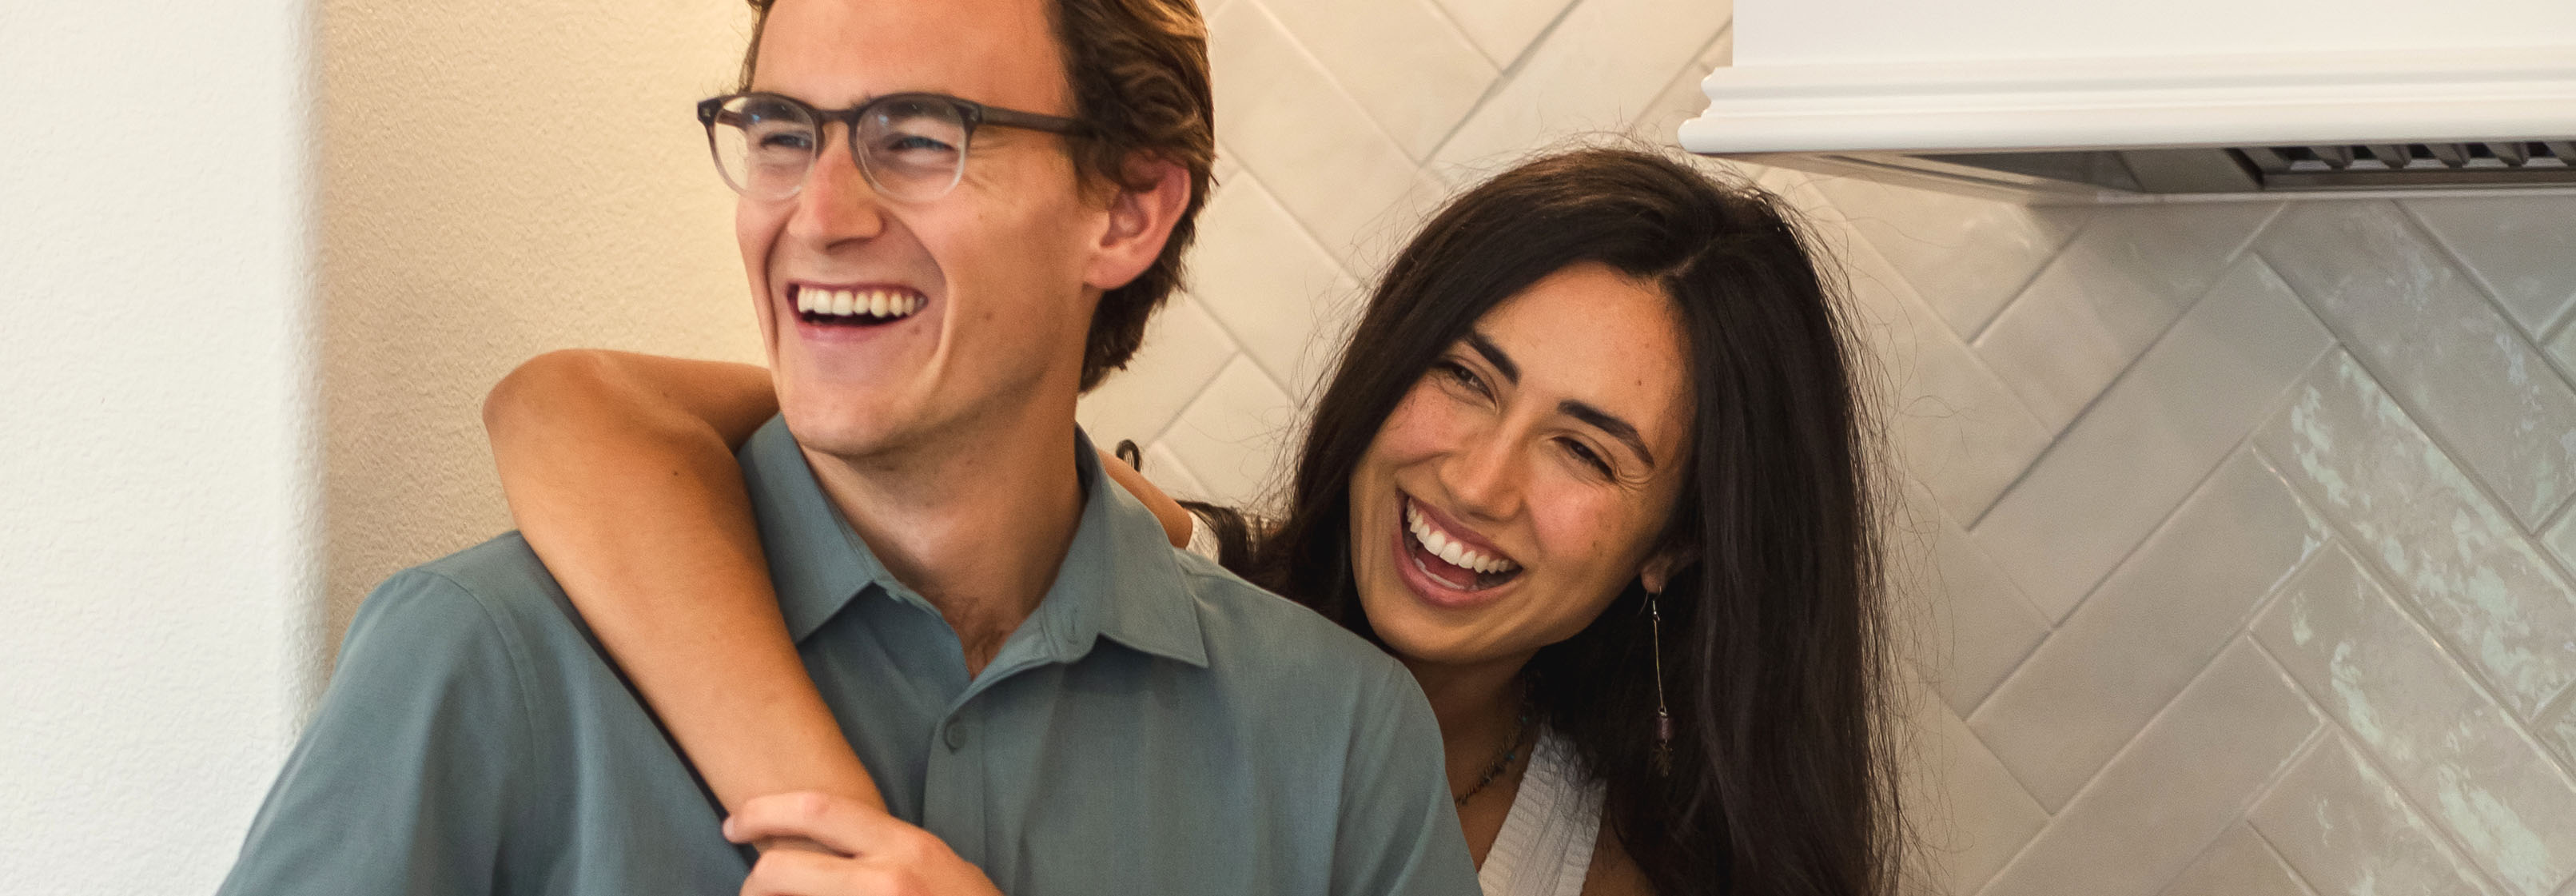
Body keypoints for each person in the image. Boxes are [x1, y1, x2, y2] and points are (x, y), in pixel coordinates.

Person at [214, 0, 1483, 893]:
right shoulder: (482, 658)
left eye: (919, 136)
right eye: (780, 131)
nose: (819, 214)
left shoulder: (1336, 741)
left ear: (1128, 207)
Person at [487, 147, 1905, 895]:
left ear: (1679, 540)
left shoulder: (1610, 869)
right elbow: (570, 416)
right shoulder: (1163, 562)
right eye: (1464, 377)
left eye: (1584, 450)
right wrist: (840, 830)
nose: (1477, 480)